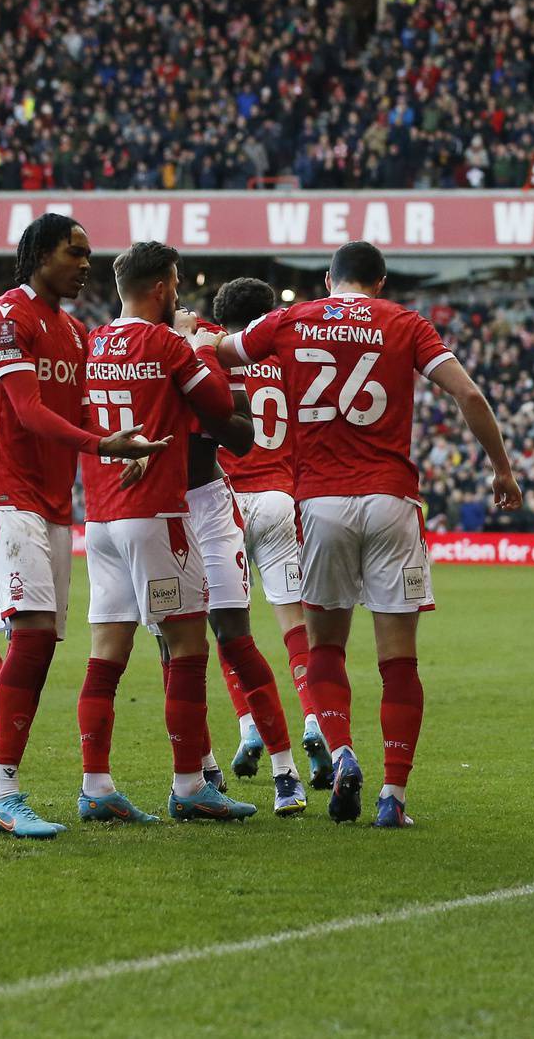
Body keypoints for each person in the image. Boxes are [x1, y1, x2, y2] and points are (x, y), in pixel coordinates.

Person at [211, 240, 522, 827]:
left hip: (320, 503)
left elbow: (221, 353)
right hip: (391, 501)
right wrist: (501, 469)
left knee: (325, 647)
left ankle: (343, 751)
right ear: (379, 283)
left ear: (330, 280)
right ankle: (394, 797)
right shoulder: (406, 323)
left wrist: (187, 334)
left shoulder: (292, 317)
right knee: (398, 661)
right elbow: (469, 394)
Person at [0, 215, 164, 838]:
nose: (85, 264)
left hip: (50, 505)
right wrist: (107, 448)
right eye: (75, 252)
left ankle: (52, 791)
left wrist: (125, 445)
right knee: (29, 636)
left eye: (88, 252)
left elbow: (77, 414)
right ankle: (0, 789)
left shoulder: (75, 333)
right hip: (4, 496)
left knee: (43, 640)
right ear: (39, 255)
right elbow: (27, 411)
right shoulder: (6, 318)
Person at [76, 242, 256, 824]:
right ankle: (188, 785)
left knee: (106, 654)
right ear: (162, 287)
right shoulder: (166, 343)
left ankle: (96, 785)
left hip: (101, 517)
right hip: (157, 511)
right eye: (175, 283)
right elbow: (220, 405)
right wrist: (194, 347)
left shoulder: (91, 343)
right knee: (186, 646)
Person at [180, 303, 306, 812]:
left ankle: (281, 767)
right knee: (185, 646)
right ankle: (200, 772)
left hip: (214, 504)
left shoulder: (200, 347)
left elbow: (235, 426)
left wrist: (198, 350)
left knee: (230, 636)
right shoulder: (168, 346)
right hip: (180, 509)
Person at [211, 276, 334, 789]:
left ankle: (247, 726)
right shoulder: (289, 362)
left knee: (227, 625)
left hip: (227, 502)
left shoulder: (214, 356)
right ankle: (314, 721)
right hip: (281, 499)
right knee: (295, 625)